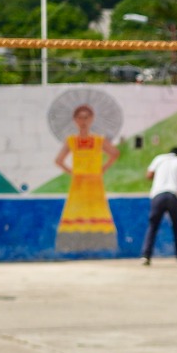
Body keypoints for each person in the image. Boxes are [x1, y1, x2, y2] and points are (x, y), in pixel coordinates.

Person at [53, 104, 119, 253]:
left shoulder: (98, 140)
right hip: (78, 183)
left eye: (86, 117)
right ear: (75, 120)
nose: (83, 121)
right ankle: (74, 244)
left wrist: (102, 169)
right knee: (76, 212)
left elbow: (114, 153)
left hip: (95, 183)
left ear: (92, 119)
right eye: (80, 117)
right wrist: (73, 173)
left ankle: (100, 244)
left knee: (98, 212)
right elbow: (59, 160)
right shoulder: (71, 141)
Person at [141, 147, 177, 266]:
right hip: (174, 196)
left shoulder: (159, 159)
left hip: (158, 196)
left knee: (153, 226)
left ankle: (146, 256)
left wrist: (159, 177)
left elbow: (149, 175)